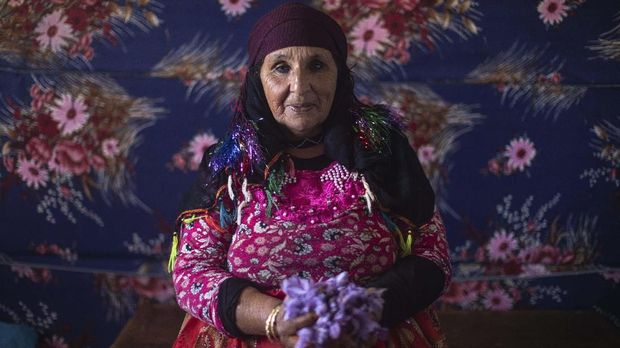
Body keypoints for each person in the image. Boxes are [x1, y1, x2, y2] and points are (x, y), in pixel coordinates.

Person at [169, 3, 451, 347]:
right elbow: (191, 270)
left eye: (316, 66)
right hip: (256, 332)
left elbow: (431, 254)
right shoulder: (232, 166)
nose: (300, 87)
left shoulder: (383, 155)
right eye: (281, 68)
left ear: (339, 75)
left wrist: (356, 313)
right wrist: (275, 318)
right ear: (258, 79)